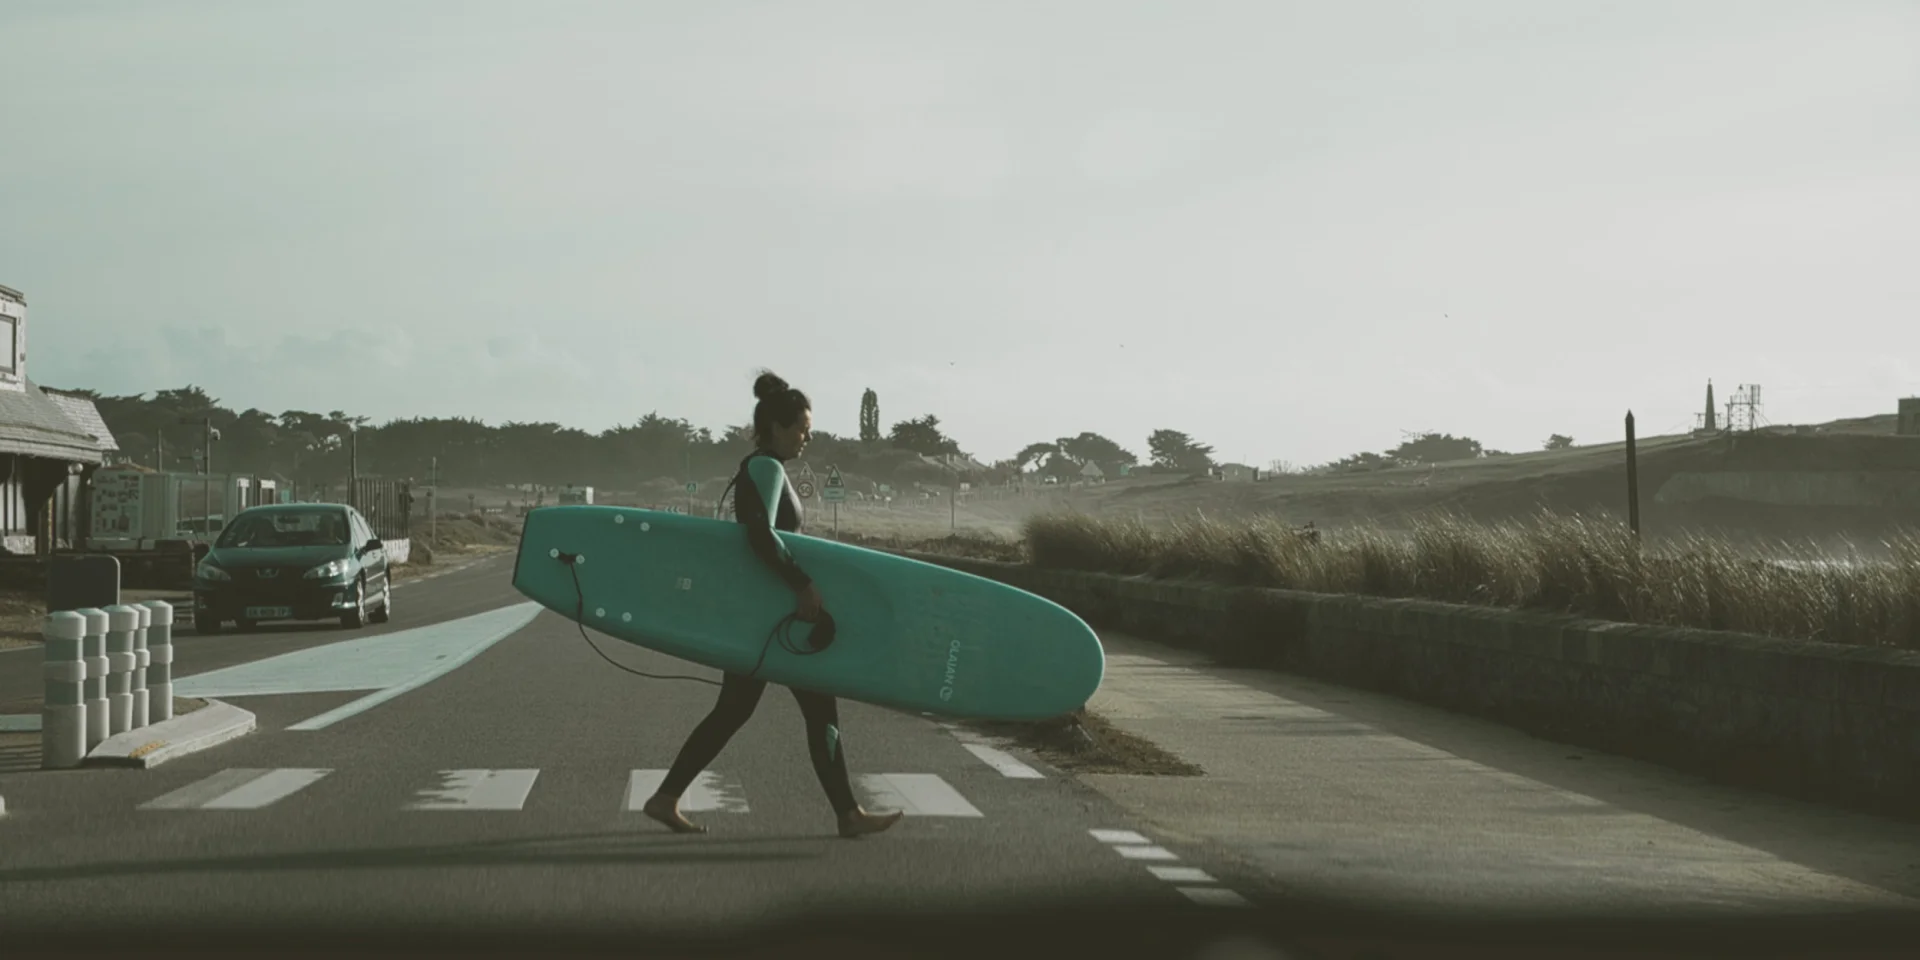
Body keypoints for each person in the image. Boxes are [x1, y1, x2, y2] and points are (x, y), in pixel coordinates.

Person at [640, 370, 905, 839]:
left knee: (744, 711)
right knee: (807, 707)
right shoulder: (766, 467)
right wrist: (801, 584)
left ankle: (666, 798)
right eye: (802, 427)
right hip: (775, 616)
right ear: (778, 426)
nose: (808, 436)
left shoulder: (762, 466)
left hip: (768, 616)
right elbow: (759, 534)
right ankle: (847, 814)